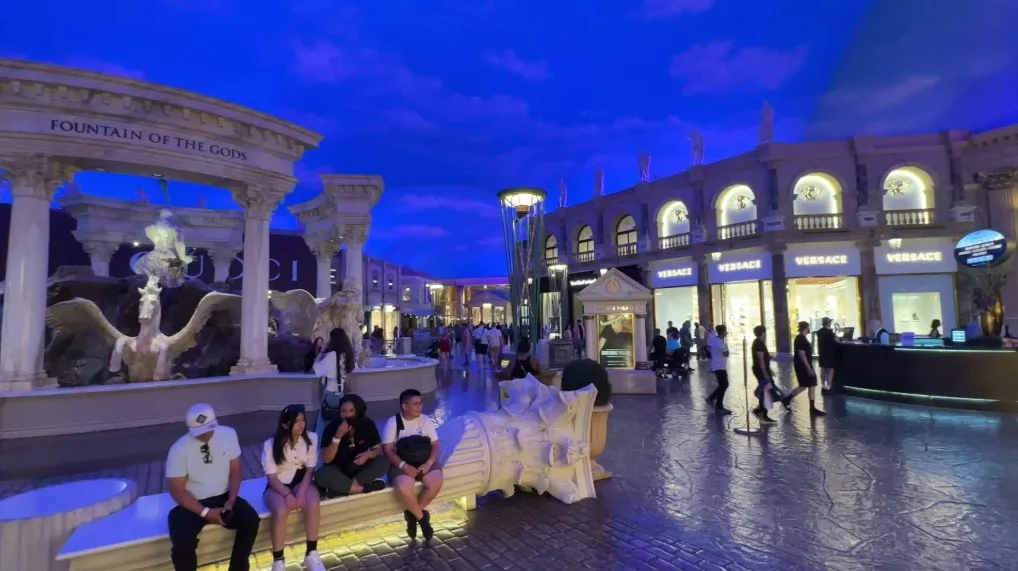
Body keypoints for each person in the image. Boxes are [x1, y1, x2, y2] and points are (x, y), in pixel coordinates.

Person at [166, 403, 260, 571]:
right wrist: (206, 513)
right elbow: (177, 491)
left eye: (209, 429)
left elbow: (236, 471)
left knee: (251, 520)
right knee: (182, 542)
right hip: (192, 502)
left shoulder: (229, 434)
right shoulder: (178, 449)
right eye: (200, 432)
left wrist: (231, 500)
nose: (206, 434)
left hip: (223, 496)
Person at [260, 405, 325, 571]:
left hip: (301, 480)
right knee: (281, 510)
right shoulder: (271, 444)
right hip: (278, 484)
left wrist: (302, 492)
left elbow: (310, 469)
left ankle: (311, 553)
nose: (301, 424)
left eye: (303, 420)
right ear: (285, 424)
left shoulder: (312, 438)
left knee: (312, 502)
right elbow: (271, 477)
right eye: (296, 421)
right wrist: (288, 494)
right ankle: (278, 561)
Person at [382, 389, 443, 540]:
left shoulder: (425, 420)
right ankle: (423, 521)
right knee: (403, 486)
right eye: (416, 403)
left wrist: (429, 463)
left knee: (435, 482)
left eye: (421, 403)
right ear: (404, 406)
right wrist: (403, 466)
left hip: (424, 460)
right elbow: (388, 450)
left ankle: (413, 516)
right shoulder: (393, 422)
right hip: (401, 462)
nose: (420, 406)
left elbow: (435, 445)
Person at [315, 394, 389, 497]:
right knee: (321, 474)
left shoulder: (367, 424)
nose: (346, 415)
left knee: (383, 461)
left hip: (360, 469)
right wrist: (337, 436)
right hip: (338, 469)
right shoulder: (331, 427)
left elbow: (377, 449)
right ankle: (364, 488)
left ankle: (344, 488)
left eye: (351, 411)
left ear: (358, 412)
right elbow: (326, 459)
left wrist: (368, 455)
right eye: (343, 411)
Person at [782, 322, 826, 416]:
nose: (809, 328)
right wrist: (808, 368)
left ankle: (787, 400)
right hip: (803, 366)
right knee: (809, 385)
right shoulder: (800, 339)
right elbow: (801, 355)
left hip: (804, 365)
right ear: (806, 327)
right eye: (808, 327)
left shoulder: (802, 338)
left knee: (805, 386)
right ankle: (811, 408)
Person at [750, 326, 778, 423]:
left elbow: (764, 359)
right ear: (762, 333)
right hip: (760, 371)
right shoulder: (759, 344)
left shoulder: (759, 343)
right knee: (766, 391)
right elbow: (761, 361)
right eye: (765, 332)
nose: (766, 334)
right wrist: (766, 373)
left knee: (766, 390)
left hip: (761, 370)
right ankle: (762, 414)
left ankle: (759, 410)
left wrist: (769, 368)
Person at [705, 325, 731, 414]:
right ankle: (718, 406)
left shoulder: (715, 340)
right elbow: (726, 353)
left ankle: (711, 398)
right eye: (725, 331)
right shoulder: (720, 343)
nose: (726, 332)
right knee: (724, 385)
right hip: (719, 366)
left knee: (723, 385)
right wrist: (726, 347)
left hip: (717, 365)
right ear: (723, 332)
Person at [815, 317, 839, 393]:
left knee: (823, 369)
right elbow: (836, 341)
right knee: (830, 369)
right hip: (829, 353)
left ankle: (823, 386)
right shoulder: (829, 332)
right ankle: (829, 386)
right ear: (828, 323)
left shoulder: (819, 332)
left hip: (822, 353)